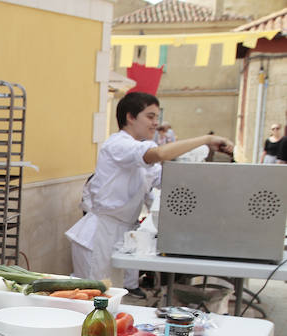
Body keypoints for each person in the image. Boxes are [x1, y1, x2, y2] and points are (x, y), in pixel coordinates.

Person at [66, 92, 233, 297]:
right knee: (92, 300)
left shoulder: (144, 157)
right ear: (130, 117)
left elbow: (171, 183)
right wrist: (205, 140)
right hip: (100, 235)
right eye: (150, 116)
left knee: (114, 300)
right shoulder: (118, 144)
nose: (155, 123)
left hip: (123, 234)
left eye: (157, 117)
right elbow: (160, 154)